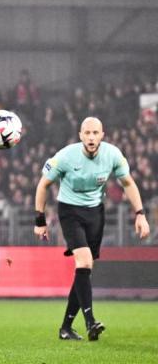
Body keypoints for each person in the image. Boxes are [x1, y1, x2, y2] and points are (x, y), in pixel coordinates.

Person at [34, 117, 149, 342]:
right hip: (70, 212)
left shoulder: (113, 155)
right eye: (87, 133)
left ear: (102, 135)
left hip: (96, 213)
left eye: (95, 133)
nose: (91, 137)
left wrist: (140, 214)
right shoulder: (65, 156)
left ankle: (66, 327)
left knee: (84, 270)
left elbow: (128, 183)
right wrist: (40, 220)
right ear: (80, 135)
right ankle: (90, 322)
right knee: (84, 262)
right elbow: (43, 185)